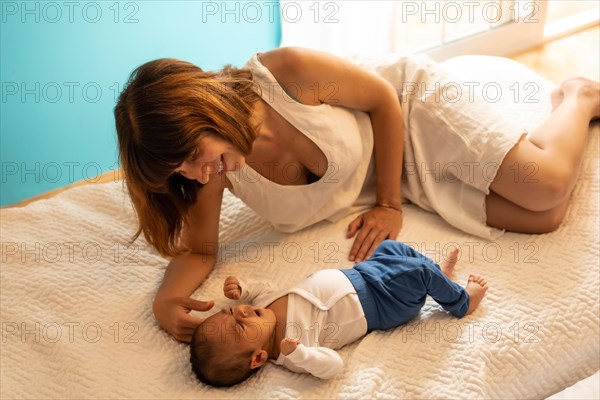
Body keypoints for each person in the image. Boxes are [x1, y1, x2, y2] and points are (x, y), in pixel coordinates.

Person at [113, 47, 600, 342]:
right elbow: (200, 249)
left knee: (545, 186)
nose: (196, 174)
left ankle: (578, 94)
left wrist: (388, 205)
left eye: (194, 153)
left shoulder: (288, 73)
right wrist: (166, 299)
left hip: (408, 114)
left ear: (207, 109)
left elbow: (383, 100)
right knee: (545, 218)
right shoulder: (215, 172)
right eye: (182, 168)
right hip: (399, 178)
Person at [189, 240, 489, 387]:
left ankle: (441, 279)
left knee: (390, 247)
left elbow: (262, 286)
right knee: (418, 272)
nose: (241, 312)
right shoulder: (292, 352)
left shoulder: (262, 306)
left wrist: (242, 287)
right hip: (382, 302)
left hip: (362, 274)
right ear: (258, 358)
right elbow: (333, 366)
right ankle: (461, 302)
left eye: (231, 313)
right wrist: (301, 354)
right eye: (240, 327)